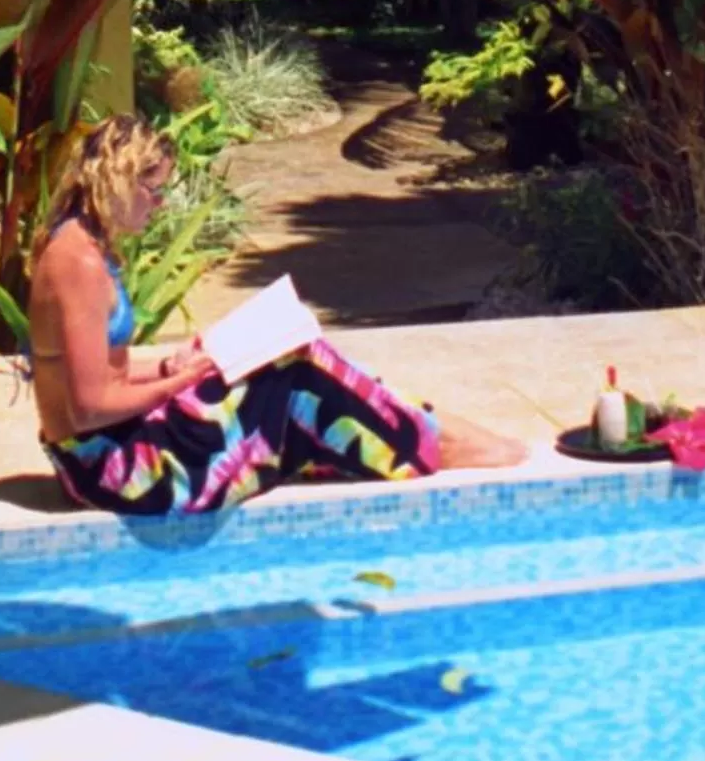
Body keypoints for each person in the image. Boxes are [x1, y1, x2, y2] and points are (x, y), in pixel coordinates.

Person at [27, 114, 526, 517]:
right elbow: (89, 407)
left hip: (110, 448)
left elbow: (97, 371)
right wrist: (183, 384)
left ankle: (428, 434)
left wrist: (165, 369)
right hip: (118, 471)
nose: (158, 206)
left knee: (297, 366)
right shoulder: (79, 265)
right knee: (298, 375)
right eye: (153, 191)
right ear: (118, 181)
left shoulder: (81, 244)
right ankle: (435, 442)